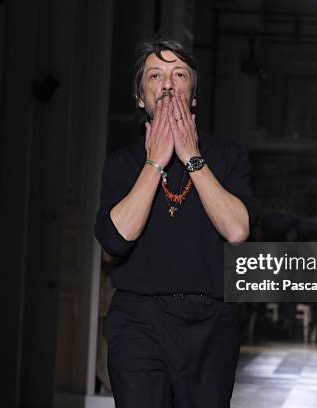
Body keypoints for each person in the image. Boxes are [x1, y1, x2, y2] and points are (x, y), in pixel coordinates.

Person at [94, 38, 258, 407]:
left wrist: (191, 157)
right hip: (138, 321)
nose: (167, 84)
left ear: (193, 95)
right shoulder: (122, 164)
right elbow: (115, 241)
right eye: (156, 75)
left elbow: (237, 231)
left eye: (178, 74)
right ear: (141, 98)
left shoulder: (228, 157)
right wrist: (154, 163)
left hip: (209, 324)